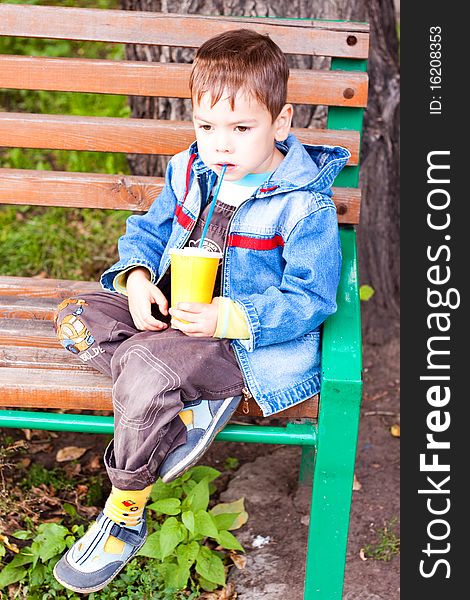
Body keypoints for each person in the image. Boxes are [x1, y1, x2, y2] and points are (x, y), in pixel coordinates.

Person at [52, 28, 349, 594]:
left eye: (242, 129)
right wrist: (138, 280)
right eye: (207, 127)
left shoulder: (303, 203)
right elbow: (147, 230)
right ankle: (183, 401)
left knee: (147, 367)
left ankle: (125, 510)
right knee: (75, 315)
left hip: (236, 339)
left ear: (281, 124)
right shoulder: (192, 169)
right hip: (174, 318)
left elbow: (311, 300)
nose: (221, 145)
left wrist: (227, 317)